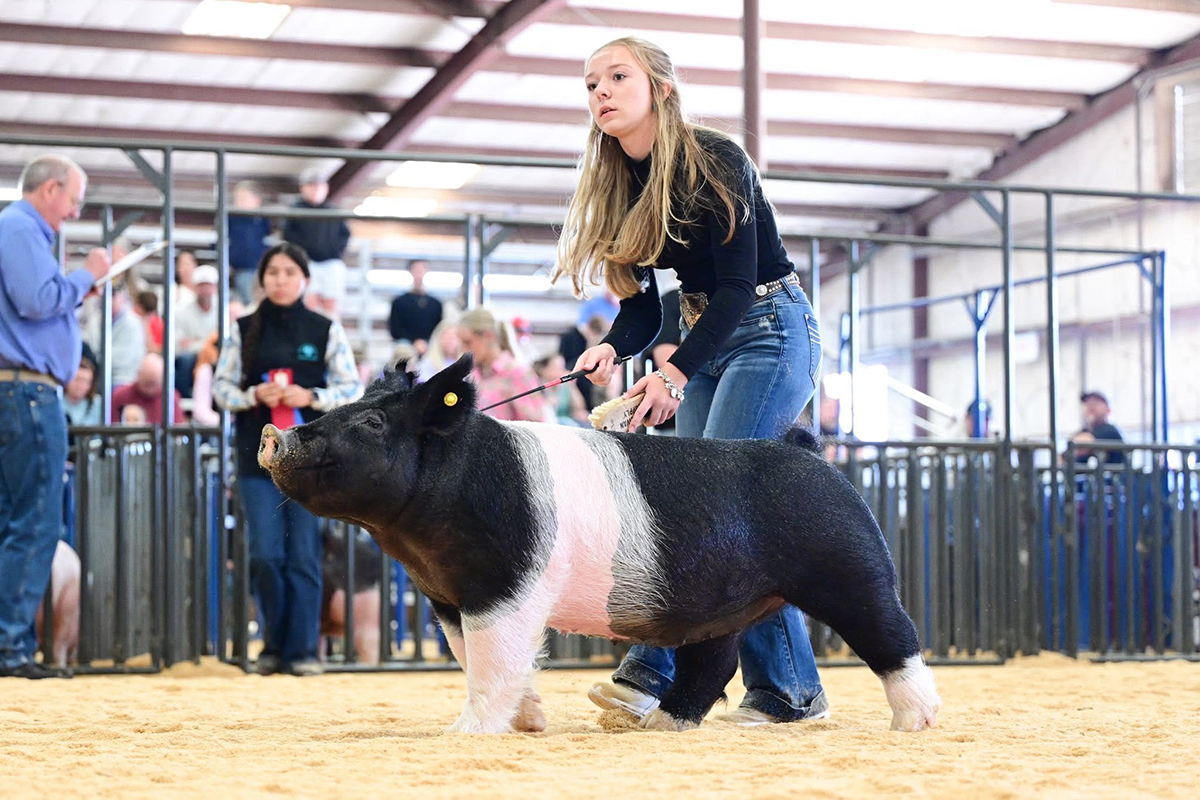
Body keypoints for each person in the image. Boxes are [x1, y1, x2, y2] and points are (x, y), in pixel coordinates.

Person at [555, 38, 827, 726]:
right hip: (708, 340)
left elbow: (736, 285)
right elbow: (645, 305)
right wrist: (613, 349)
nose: (602, 93)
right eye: (591, 85)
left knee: (716, 511)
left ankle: (657, 669)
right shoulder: (624, 180)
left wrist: (672, 372)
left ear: (663, 89)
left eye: (618, 77)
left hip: (769, 327)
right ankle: (785, 690)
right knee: (707, 514)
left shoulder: (717, 159)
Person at [213, 242, 362, 676]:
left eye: (289, 272)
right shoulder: (241, 330)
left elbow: (351, 388)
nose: (280, 280)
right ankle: (273, 647)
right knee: (264, 554)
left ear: (305, 279)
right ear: (262, 279)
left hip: (312, 462)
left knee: (304, 556)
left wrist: (311, 396)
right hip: (256, 460)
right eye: (273, 272)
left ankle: (303, 651)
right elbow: (222, 391)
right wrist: (251, 395)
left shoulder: (325, 329)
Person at [0, 154, 108, 678]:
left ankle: (8, 642)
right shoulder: (19, 229)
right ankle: (11, 647)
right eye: (74, 199)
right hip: (27, 394)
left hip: (15, 393)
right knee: (35, 520)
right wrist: (84, 275)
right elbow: (37, 299)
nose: (74, 210)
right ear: (49, 189)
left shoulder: (17, 231)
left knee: (11, 518)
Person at [457, 308, 549, 423]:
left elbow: (538, 423)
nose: (463, 349)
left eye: (467, 342)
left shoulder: (517, 372)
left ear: (488, 336)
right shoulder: (472, 375)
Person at [282, 168, 350, 319]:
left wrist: (335, 252)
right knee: (309, 300)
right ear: (303, 188)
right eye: (311, 185)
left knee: (331, 303)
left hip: (331, 262)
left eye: (319, 185)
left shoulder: (333, 211)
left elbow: (344, 234)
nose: (315, 190)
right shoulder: (295, 210)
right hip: (307, 262)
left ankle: (332, 336)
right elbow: (288, 235)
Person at [174, 264, 220, 397]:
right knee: (185, 360)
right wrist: (208, 342)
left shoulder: (222, 309)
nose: (205, 289)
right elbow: (178, 347)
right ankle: (184, 399)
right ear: (194, 287)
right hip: (192, 358)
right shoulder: (181, 311)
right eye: (201, 285)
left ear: (215, 287)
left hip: (215, 354)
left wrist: (196, 341)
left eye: (208, 285)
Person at [110, 353, 187, 425]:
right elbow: (110, 428)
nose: (150, 389)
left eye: (153, 383)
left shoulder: (171, 397)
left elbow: (178, 431)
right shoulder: (120, 396)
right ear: (138, 375)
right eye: (146, 383)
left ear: (163, 380)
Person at [228, 181, 272, 305]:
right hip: (239, 269)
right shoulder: (231, 219)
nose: (239, 202)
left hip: (260, 268)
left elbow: (269, 241)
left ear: (256, 200)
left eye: (243, 198)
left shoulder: (263, 220)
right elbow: (219, 241)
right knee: (245, 301)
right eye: (237, 199)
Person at [388, 259, 442, 355]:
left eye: (422, 269)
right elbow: (395, 330)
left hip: (429, 345)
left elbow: (439, 329)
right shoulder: (399, 302)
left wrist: (425, 343)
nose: (419, 273)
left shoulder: (436, 304)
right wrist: (414, 342)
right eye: (416, 269)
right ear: (410, 272)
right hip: (406, 345)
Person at [1074, 390, 1125, 466]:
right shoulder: (1083, 432)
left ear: (1108, 410)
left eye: (1096, 403)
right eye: (1087, 403)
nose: (1091, 406)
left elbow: (1083, 443)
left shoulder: (1110, 431)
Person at [63, 343, 102, 427]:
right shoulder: (57, 402)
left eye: (86, 381)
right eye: (77, 380)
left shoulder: (97, 404)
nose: (80, 386)